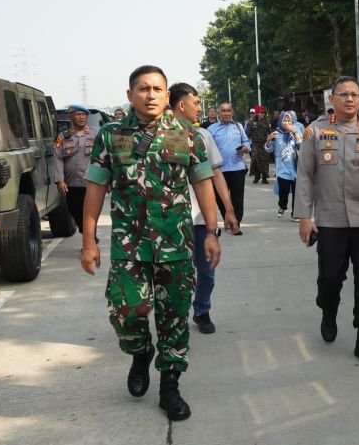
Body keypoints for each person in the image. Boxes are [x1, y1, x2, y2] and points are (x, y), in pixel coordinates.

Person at [81, 65, 220, 420]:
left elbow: (203, 182)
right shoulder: (110, 135)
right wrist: (89, 240)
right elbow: (96, 186)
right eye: (143, 88)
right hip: (129, 244)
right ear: (130, 95)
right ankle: (140, 352)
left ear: (167, 93)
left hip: (175, 243)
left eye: (158, 88)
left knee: (174, 316)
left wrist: (212, 232)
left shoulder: (187, 134)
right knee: (126, 311)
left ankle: (169, 386)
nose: (151, 94)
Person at [294, 76, 359, 366]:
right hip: (330, 221)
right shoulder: (315, 132)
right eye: (344, 94)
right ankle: (328, 311)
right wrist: (305, 216)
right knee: (330, 279)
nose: (350, 99)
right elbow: (304, 175)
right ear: (332, 99)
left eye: (355, 95)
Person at [169, 82, 239, 335]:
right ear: (181, 105)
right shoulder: (159, 137)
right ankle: (175, 317)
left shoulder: (203, 136)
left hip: (200, 218)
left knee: (206, 270)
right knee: (176, 273)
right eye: (196, 103)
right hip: (170, 220)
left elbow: (216, 174)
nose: (200, 108)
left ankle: (201, 311)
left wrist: (228, 209)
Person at [53, 104, 98, 237]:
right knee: (74, 209)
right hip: (71, 183)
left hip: (91, 182)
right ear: (71, 116)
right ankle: (86, 233)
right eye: (78, 114)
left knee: (90, 212)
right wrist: (59, 180)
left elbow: (104, 156)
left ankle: (90, 238)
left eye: (84, 115)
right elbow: (58, 158)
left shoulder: (96, 133)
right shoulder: (63, 136)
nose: (81, 117)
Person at [208, 103, 250, 234]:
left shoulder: (238, 126)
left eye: (228, 111)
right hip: (219, 170)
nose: (226, 113)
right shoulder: (211, 129)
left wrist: (245, 148)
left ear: (232, 112)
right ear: (218, 113)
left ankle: (236, 224)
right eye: (223, 111)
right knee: (221, 199)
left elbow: (247, 141)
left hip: (237, 167)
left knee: (237, 199)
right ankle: (228, 218)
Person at [266, 111, 304, 220]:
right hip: (282, 168)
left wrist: (295, 133)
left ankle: (295, 214)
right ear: (280, 122)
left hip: (296, 167)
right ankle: (282, 205)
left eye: (289, 121)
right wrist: (268, 140)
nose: (287, 123)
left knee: (297, 193)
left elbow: (302, 146)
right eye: (284, 120)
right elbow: (269, 150)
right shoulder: (276, 134)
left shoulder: (295, 132)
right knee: (284, 191)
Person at [248, 104, 272, 184]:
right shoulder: (252, 122)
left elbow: (270, 132)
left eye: (264, 112)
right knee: (255, 161)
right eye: (261, 112)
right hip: (255, 144)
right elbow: (248, 134)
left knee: (264, 161)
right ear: (257, 113)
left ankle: (264, 177)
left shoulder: (267, 122)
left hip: (264, 144)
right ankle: (256, 176)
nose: (263, 114)